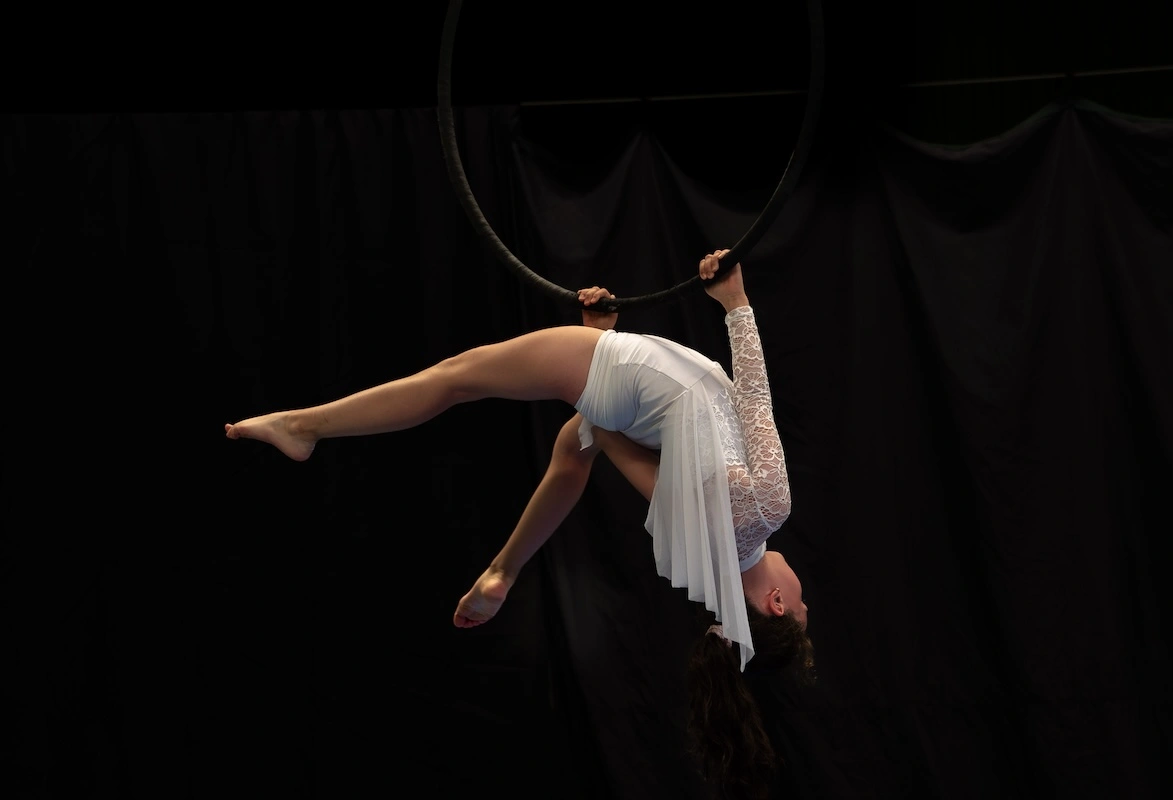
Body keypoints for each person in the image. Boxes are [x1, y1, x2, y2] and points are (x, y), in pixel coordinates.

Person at [225, 251, 814, 791]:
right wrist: (596, 354)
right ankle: (501, 571)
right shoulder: (705, 547)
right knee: (569, 461)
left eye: (803, 605)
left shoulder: (766, 511)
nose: (804, 592)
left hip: (631, 376)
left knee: (455, 377)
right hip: (628, 390)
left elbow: (755, 399)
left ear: (776, 607)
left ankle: (304, 428)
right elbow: (619, 438)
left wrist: (735, 305)